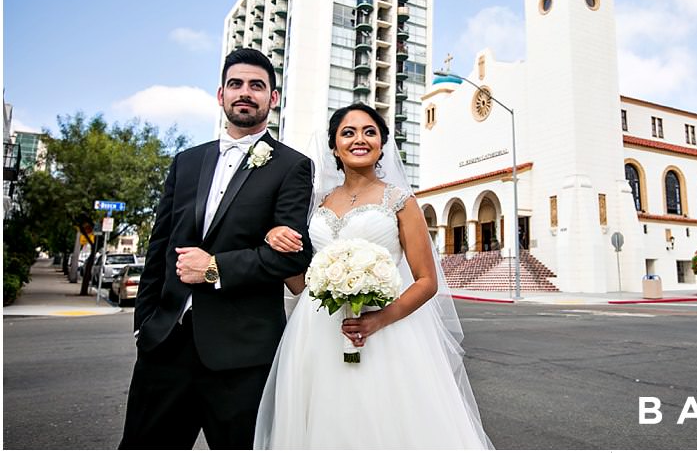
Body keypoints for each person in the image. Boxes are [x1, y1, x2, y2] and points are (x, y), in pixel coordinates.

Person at [254, 102, 493, 449]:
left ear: (382, 142)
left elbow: (427, 281)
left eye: (369, 132)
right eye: (348, 133)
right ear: (334, 146)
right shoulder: (316, 204)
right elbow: (302, 283)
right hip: (315, 332)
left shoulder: (400, 201)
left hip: (384, 333)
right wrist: (275, 242)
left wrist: (377, 320)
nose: (359, 139)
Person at [120, 48, 314, 449]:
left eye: (257, 86)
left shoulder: (292, 166)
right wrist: (145, 324)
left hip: (241, 355)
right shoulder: (187, 162)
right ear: (220, 94)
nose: (245, 93)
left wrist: (215, 268)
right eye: (236, 84)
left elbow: (291, 255)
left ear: (272, 98)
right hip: (165, 347)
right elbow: (160, 246)